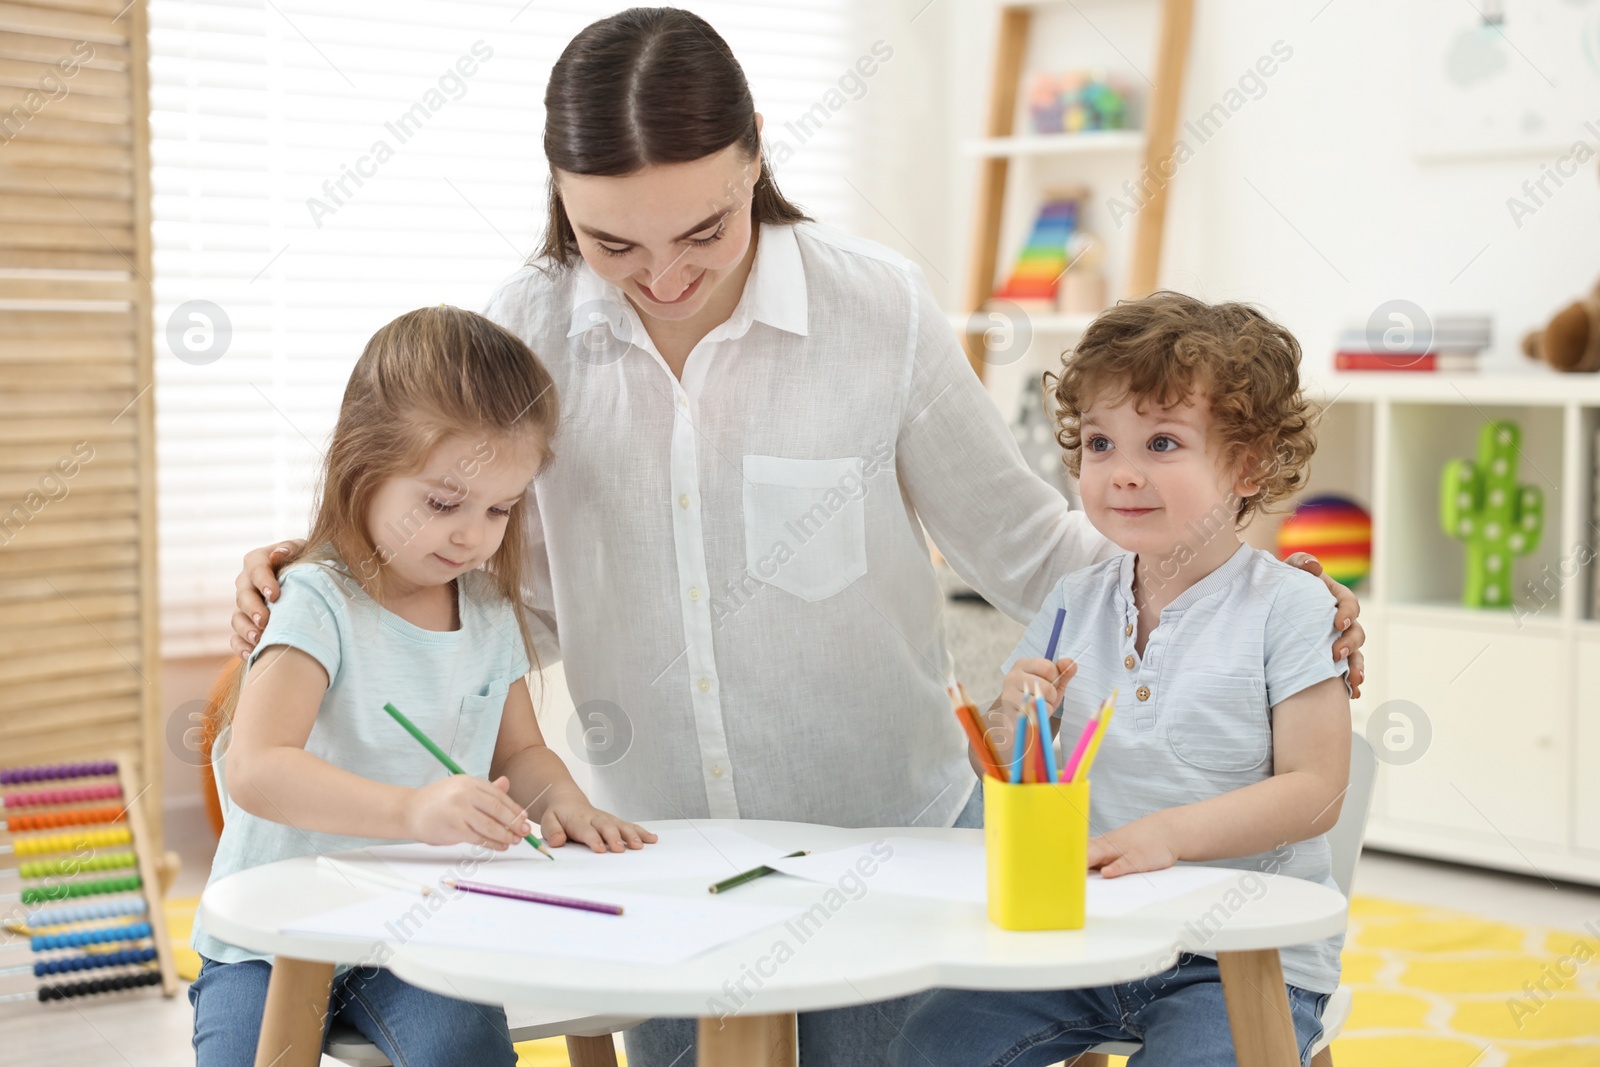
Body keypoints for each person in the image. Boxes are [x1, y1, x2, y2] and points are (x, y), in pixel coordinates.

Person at [225, 10, 1366, 1065]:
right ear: (561, 197)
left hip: (888, 846)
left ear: (756, 152)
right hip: (659, 865)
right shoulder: (527, 332)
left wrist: (1239, 586)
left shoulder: (875, 309)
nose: (663, 277)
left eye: (703, 230)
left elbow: (1029, 549)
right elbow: (491, 591)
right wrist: (333, 578)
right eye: (612, 243)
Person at [891, 293, 1353, 1067]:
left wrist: (1164, 837)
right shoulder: (1075, 601)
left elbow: (1318, 789)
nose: (1123, 473)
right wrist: (1006, 725)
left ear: (1248, 463)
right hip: (1086, 937)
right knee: (927, 1046)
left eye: (1163, 443)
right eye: (1101, 443)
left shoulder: (1292, 606)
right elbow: (1005, 765)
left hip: (1236, 957)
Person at [190, 306, 656, 1067]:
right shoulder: (314, 600)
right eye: (443, 503)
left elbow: (524, 752)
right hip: (270, 937)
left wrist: (563, 799)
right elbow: (256, 768)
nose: (472, 535)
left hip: (416, 932)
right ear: (363, 466)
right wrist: (411, 809)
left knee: (465, 1050)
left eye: (500, 508)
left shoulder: (489, 610)